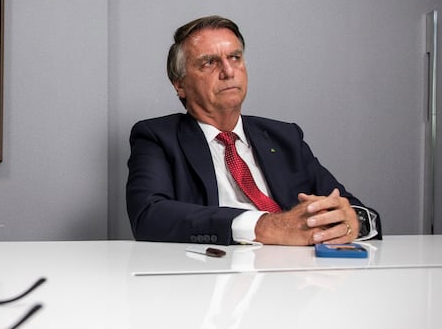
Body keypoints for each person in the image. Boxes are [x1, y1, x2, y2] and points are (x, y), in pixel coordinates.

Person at [126, 16, 381, 245]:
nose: (228, 71)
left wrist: (353, 221)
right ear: (180, 85)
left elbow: (355, 210)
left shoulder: (286, 137)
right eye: (209, 63)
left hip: (298, 280)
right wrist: (265, 226)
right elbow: (149, 215)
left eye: (234, 57)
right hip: (211, 280)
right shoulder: (157, 136)